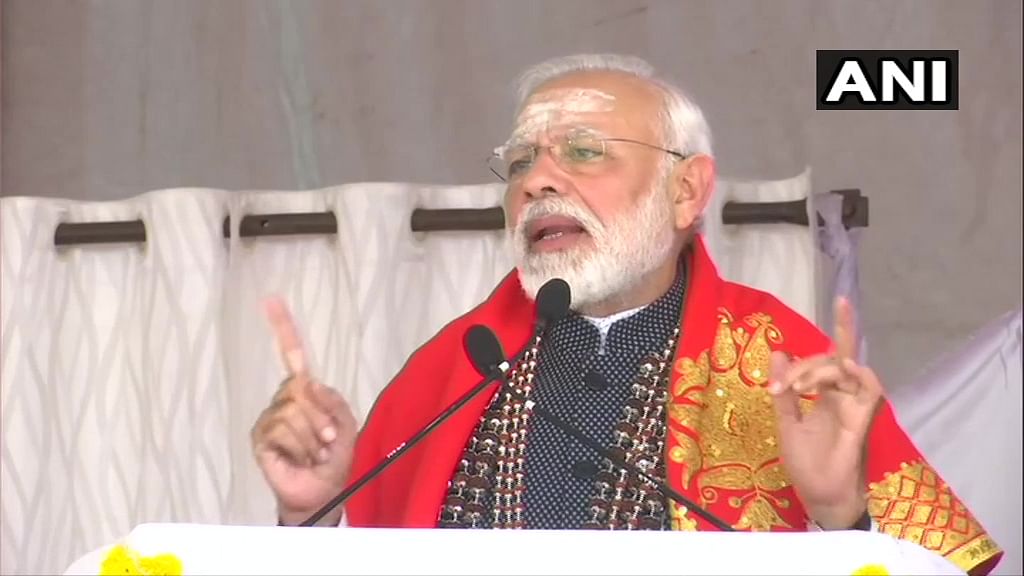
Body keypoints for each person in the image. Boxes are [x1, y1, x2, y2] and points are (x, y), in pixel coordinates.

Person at [250, 54, 1001, 574]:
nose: (539, 180)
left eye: (582, 152)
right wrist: (311, 521)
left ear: (686, 191)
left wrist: (844, 521)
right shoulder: (454, 368)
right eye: (519, 164)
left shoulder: (779, 362)